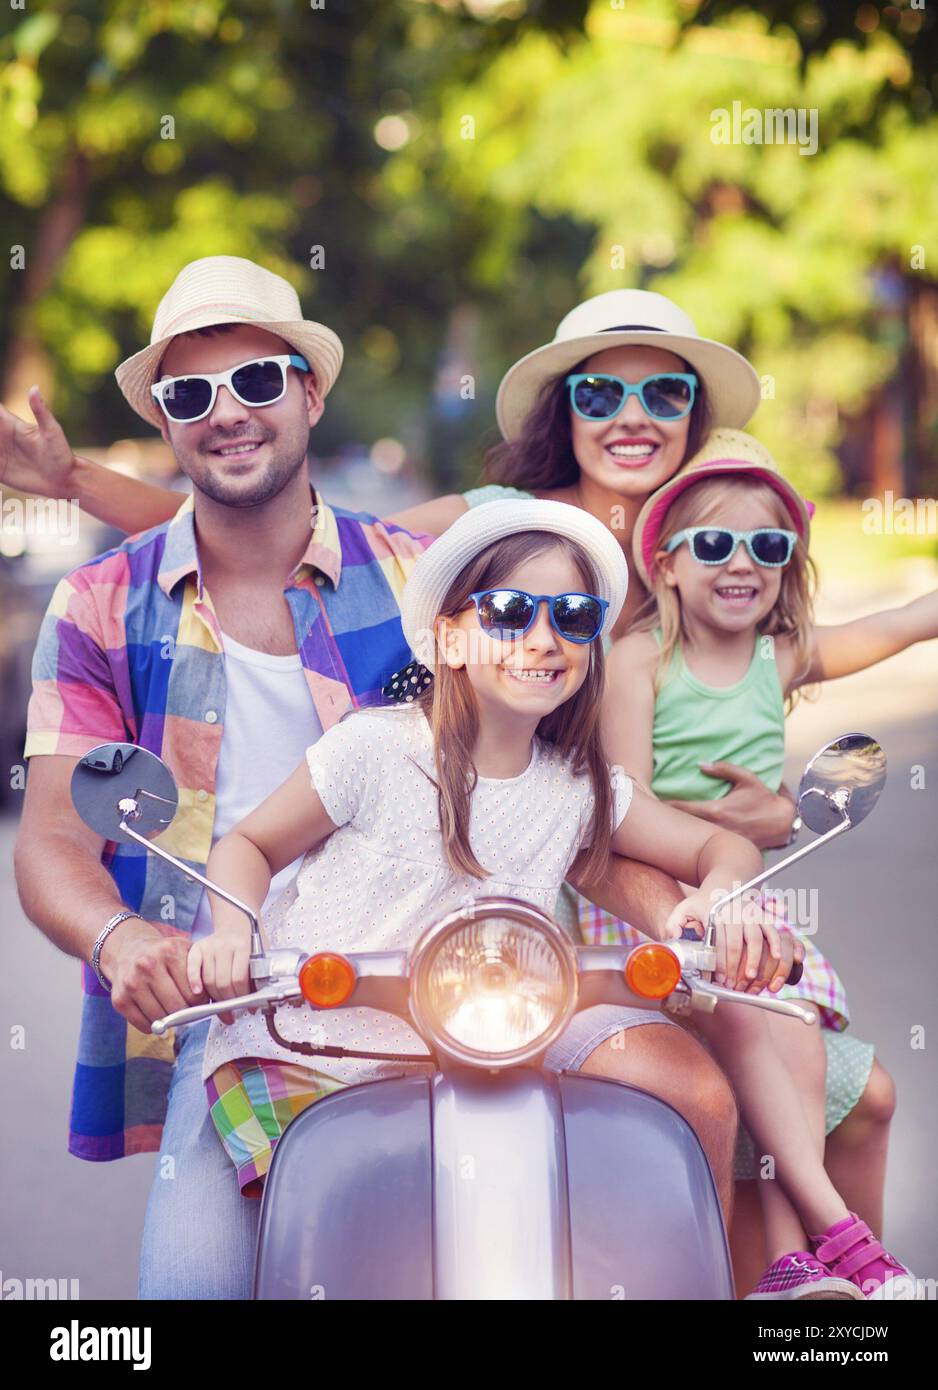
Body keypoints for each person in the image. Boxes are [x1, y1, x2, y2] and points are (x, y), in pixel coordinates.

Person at [11, 259, 748, 1299]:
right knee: (191, 1287)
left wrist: (703, 909)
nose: (227, 414)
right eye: (190, 394)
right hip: (251, 999)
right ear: (170, 422)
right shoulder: (98, 603)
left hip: (476, 981)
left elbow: (562, 805)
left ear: (309, 393)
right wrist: (123, 936)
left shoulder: (428, 582)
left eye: (258, 382)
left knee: (669, 1113)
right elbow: (50, 840)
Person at [187, 500, 779, 1210]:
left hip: (471, 1048)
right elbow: (248, 844)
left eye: (574, 616)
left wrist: (721, 895)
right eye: (508, 611)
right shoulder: (377, 748)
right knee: (341, 1220)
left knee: (533, 1191)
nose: (543, 636)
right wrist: (232, 930)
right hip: (305, 1042)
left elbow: (725, 844)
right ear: (450, 640)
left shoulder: (578, 788)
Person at [606, 429, 937, 1299]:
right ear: (667, 565)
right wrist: (725, 837)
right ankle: (832, 1247)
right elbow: (619, 803)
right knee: (764, 1025)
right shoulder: (639, 660)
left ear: (788, 564)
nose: (741, 563)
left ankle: (796, 1267)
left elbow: (898, 624)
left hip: (744, 912)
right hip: (652, 906)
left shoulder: (776, 657)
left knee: (797, 1044)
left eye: (768, 546)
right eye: (714, 543)